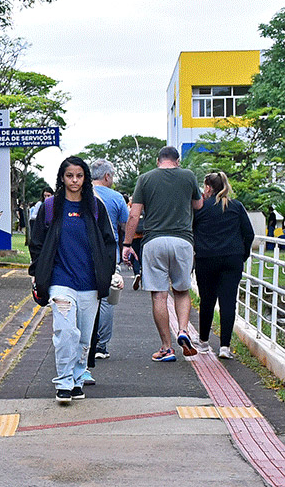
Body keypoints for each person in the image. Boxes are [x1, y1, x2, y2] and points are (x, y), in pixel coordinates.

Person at [29, 157, 117, 404]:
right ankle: (64, 381)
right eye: (70, 176)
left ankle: (78, 379)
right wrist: (38, 272)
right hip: (60, 281)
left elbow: (109, 243)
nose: (75, 181)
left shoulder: (95, 207)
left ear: (85, 178)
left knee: (83, 337)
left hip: (90, 283)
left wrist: (108, 273)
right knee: (65, 331)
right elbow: (36, 244)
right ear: (62, 178)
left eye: (79, 176)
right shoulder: (51, 207)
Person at [121, 146, 203, 362]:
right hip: (183, 241)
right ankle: (183, 330)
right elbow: (199, 204)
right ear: (177, 161)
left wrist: (127, 243)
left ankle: (166, 348)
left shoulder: (145, 179)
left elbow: (134, 215)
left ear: (158, 161)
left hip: (153, 242)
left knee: (159, 295)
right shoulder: (188, 176)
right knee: (182, 291)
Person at [193, 172, 255, 359]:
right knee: (228, 302)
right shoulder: (236, 206)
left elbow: (192, 230)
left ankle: (203, 342)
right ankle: (225, 347)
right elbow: (249, 234)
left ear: (209, 188)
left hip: (206, 258)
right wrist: (242, 255)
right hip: (232, 259)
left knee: (207, 301)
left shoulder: (201, 208)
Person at [89, 158, 129, 362]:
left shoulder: (81, 195)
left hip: (84, 251)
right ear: (107, 176)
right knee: (106, 299)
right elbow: (125, 223)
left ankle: (85, 342)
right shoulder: (116, 197)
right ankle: (101, 345)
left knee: (84, 297)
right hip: (108, 252)